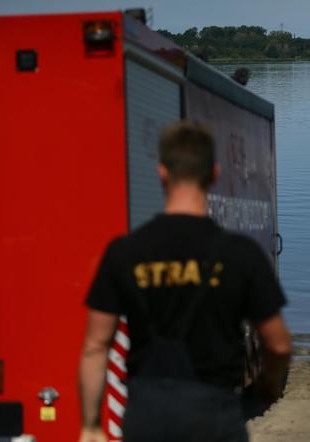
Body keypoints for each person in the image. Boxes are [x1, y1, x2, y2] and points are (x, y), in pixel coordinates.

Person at [78, 121, 291, 442]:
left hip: (146, 415)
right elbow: (278, 344)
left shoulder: (125, 251)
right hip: (214, 413)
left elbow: (95, 347)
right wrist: (269, 387)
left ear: (162, 172)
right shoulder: (239, 254)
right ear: (215, 174)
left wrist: (91, 425)